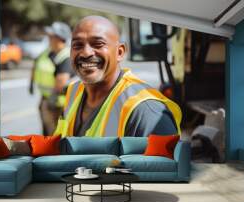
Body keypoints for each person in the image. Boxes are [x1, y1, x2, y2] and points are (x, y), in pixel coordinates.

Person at [54, 16, 182, 137]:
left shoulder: (145, 110)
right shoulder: (73, 92)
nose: (86, 53)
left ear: (120, 52)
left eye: (98, 44)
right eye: (77, 45)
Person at [29, 21, 75, 135]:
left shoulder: (66, 57)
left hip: (58, 104)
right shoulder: (47, 52)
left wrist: (51, 100)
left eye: (51, 36)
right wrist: (31, 83)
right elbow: (36, 64)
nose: (48, 37)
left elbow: (61, 81)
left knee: (55, 136)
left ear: (60, 38)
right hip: (46, 100)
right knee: (47, 134)